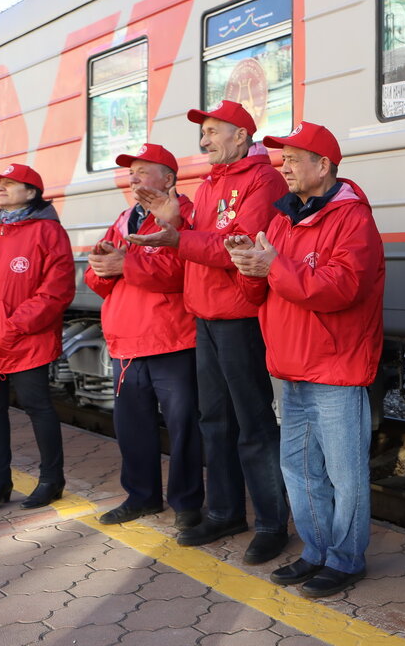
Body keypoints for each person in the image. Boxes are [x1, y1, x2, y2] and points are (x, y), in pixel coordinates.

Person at [226, 121, 384, 598]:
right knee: (299, 468)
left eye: (294, 157)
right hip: (293, 367)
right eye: (283, 156)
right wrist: (248, 265)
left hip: (335, 369)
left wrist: (273, 266)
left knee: (344, 473)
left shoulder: (352, 218)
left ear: (324, 166)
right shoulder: (281, 218)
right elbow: (260, 292)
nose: (284, 165)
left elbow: (339, 289)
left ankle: (346, 558)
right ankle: (317, 552)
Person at [128, 100, 290, 564]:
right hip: (207, 314)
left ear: (241, 136)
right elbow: (204, 239)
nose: (204, 140)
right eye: (204, 132)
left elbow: (240, 247)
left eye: (213, 131)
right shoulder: (210, 183)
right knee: (215, 421)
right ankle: (224, 512)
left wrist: (180, 236)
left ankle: (272, 524)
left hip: (239, 316)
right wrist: (177, 222)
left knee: (254, 423)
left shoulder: (263, 179)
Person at [85, 144, 203, 529]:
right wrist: (102, 267)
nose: (133, 177)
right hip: (127, 341)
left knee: (184, 427)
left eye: (142, 170)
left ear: (168, 179)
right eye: (130, 171)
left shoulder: (183, 216)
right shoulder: (123, 220)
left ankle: (187, 503)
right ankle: (141, 497)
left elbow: (178, 273)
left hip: (172, 338)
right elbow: (95, 279)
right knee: (132, 428)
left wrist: (124, 264)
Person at [0, 163, 74, 513]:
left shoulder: (48, 232)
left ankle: (51, 480)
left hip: (24, 341)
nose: (0, 189)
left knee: (39, 409)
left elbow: (57, 289)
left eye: (10, 184)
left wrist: (13, 324)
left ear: (31, 192)